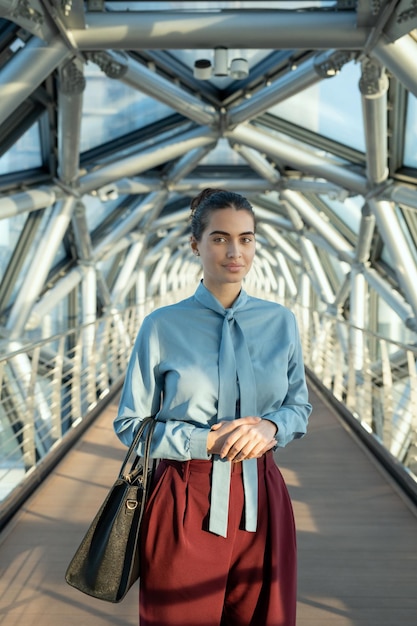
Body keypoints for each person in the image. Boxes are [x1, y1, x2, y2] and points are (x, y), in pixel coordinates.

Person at [114, 188, 312, 626]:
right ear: (195, 245)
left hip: (264, 497)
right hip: (184, 496)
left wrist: (272, 429)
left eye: (247, 238)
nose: (235, 251)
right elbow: (130, 425)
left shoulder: (281, 321)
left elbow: (300, 406)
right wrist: (202, 440)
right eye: (220, 238)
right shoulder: (161, 326)